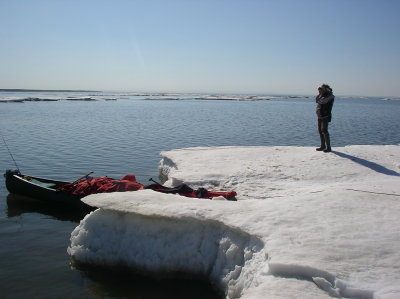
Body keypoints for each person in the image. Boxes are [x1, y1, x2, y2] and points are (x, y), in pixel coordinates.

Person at [315, 84, 335, 152]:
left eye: (322, 89)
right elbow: (316, 100)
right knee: (320, 130)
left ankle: (328, 147)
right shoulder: (322, 95)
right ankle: (323, 146)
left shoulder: (330, 96)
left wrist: (320, 94)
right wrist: (320, 94)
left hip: (325, 115)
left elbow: (322, 101)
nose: (321, 90)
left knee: (324, 130)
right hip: (320, 115)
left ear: (326, 89)